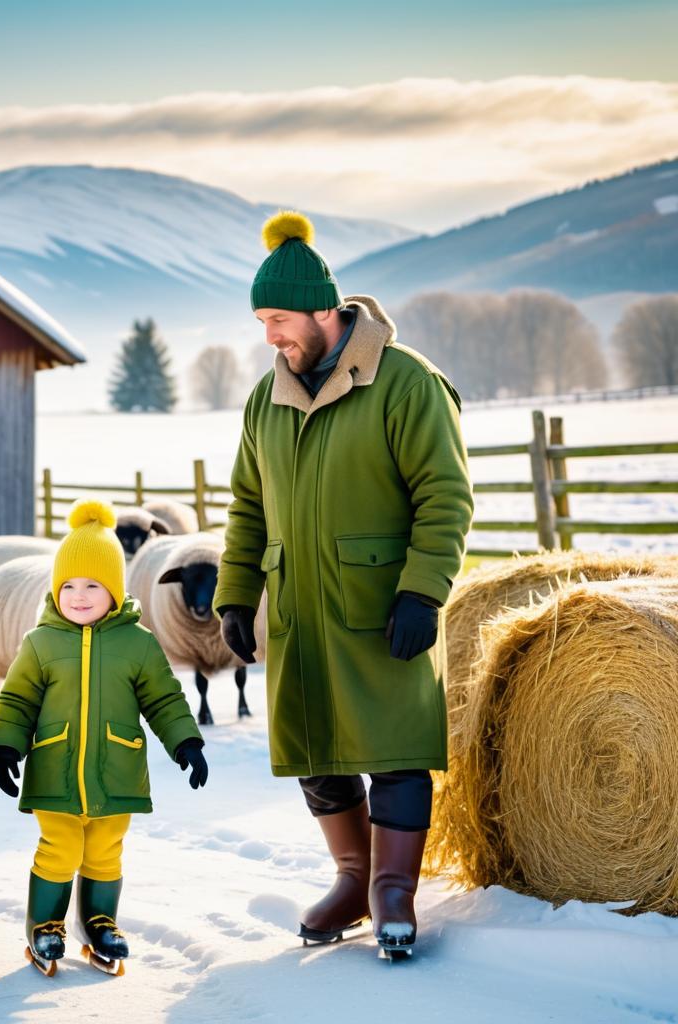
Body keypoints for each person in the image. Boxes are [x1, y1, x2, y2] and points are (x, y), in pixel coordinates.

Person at [213, 211, 473, 958]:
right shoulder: (267, 399)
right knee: (318, 750)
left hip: (383, 609)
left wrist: (424, 591)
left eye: (281, 319)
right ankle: (353, 877)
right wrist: (236, 593)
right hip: (299, 611)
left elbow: (445, 496)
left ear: (326, 311)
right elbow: (247, 503)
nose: (271, 336)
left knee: (393, 750)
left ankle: (395, 892)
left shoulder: (405, 382)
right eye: (262, 321)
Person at [0, 499, 207, 976]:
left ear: (115, 590)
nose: (79, 596)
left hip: (117, 772)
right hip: (55, 771)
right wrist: (5, 744)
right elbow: (17, 699)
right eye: (67, 585)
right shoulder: (41, 642)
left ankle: (100, 922)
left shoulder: (139, 643)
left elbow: (164, 700)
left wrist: (186, 742)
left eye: (92, 585)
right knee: (60, 848)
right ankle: (44, 926)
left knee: (106, 850)